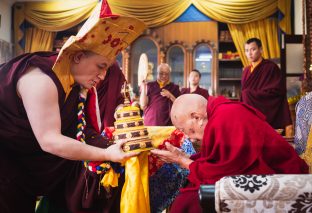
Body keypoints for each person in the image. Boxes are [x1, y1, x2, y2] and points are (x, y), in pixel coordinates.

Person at [0, 1, 146, 212]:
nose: (103, 76)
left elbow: (77, 130)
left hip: (19, 163)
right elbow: (50, 141)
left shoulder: (73, 83)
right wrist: (107, 154)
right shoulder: (42, 81)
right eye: (100, 66)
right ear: (77, 56)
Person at [151, 94, 308, 213]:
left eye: (185, 130)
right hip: (263, 177)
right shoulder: (219, 114)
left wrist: (182, 161)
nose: (189, 138)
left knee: (187, 202)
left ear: (197, 117)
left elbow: (225, 176)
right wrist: (185, 158)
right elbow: (220, 159)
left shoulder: (226, 117)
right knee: (187, 193)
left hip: (284, 181)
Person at [241, 37, 292, 130]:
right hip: (248, 113)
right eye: (247, 50)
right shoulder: (246, 71)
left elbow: (278, 91)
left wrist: (249, 95)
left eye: (253, 49)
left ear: (261, 50)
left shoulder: (271, 67)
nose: (249, 53)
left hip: (266, 110)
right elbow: (243, 94)